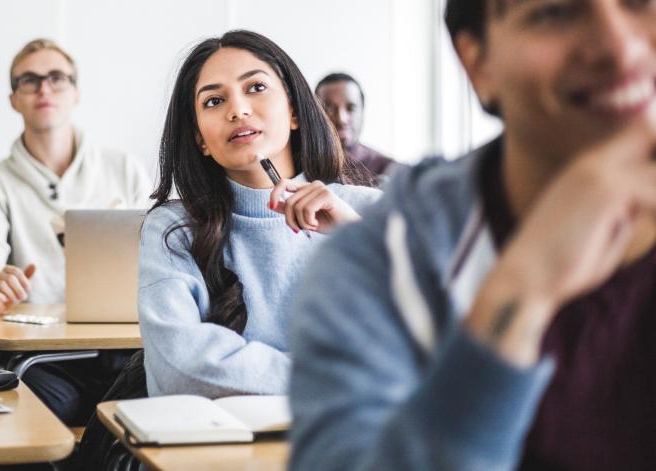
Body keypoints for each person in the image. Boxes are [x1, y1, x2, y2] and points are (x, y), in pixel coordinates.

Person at [290, 0, 656, 469]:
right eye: (556, 12)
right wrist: (520, 292)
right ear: (477, 62)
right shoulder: (383, 265)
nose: (619, 48)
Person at [139, 30, 380, 398]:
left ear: (295, 111)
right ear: (201, 139)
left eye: (255, 88)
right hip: (220, 448)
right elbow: (182, 370)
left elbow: (437, 345)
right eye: (214, 101)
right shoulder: (174, 231)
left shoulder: (366, 211)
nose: (238, 110)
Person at [0, 38, 150, 425]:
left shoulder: (124, 168)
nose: (44, 89)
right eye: (29, 80)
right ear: (14, 99)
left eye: (56, 78)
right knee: (44, 408)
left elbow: (159, 257)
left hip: (126, 348)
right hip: (45, 357)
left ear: (75, 92)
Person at [315, 72, 401, 180]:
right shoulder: (299, 166)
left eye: (351, 108)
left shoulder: (391, 171)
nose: (341, 119)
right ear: (315, 114)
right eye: (329, 108)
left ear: (362, 112)